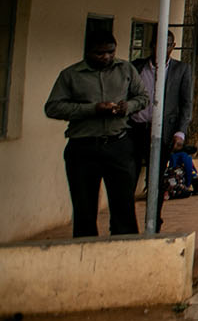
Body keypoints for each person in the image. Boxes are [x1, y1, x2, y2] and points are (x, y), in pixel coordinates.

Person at [44, 25, 147, 236]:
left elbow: (143, 97)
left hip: (118, 143)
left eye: (110, 51)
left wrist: (127, 107)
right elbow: (53, 107)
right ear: (88, 52)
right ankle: (85, 249)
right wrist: (93, 109)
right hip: (84, 146)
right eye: (100, 53)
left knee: (123, 205)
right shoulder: (71, 75)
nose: (106, 57)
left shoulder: (126, 69)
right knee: (84, 206)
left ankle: (124, 249)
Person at [129, 29, 193, 226]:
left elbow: (186, 104)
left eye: (166, 45)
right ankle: (127, 224)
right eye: (157, 44)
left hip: (162, 132)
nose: (161, 49)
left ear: (172, 47)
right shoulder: (135, 67)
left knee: (155, 180)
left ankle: (154, 220)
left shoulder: (181, 70)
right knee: (128, 178)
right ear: (151, 45)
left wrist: (180, 132)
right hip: (135, 129)